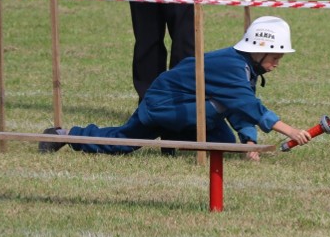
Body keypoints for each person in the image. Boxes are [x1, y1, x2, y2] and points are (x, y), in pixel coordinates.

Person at [39, 17, 312, 162]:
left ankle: (67, 135)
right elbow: (248, 106)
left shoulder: (244, 68)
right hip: (163, 104)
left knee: (226, 148)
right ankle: (64, 135)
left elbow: (242, 104)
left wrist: (248, 139)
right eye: (276, 58)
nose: (277, 65)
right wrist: (290, 131)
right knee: (122, 143)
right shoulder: (233, 66)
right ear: (258, 51)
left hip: (188, 105)